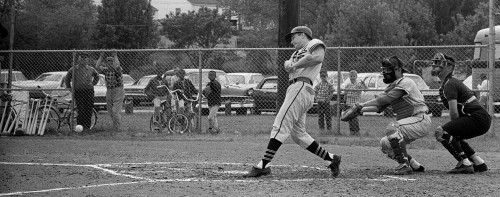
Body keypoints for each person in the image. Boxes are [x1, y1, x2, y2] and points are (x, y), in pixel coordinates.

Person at [243, 26, 341, 178]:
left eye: (294, 37)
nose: (292, 41)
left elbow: (318, 57)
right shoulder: (296, 53)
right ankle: (331, 159)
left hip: (301, 87)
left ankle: (264, 164)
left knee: (280, 123)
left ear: (303, 35)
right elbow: (289, 65)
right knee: (298, 134)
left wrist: (293, 65)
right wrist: (289, 64)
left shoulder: (313, 42)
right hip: (296, 88)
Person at [344, 56, 430, 175]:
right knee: (385, 144)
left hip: (420, 119)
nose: (385, 73)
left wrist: (360, 104)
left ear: (398, 70)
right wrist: (361, 110)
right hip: (410, 123)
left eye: (388, 70)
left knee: (392, 128)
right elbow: (380, 107)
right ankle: (414, 165)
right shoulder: (392, 86)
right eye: (384, 70)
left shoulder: (406, 82)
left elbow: (385, 99)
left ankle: (404, 165)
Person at [431, 53, 490, 174]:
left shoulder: (450, 83)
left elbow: (454, 113)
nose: (437, 65)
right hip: (481, 118)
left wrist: (449, 130)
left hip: (477, 118)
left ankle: (465, 163)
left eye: (441, 63)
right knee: (454, 135)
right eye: (436, 62)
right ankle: (478, 163)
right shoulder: (448, 83)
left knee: (442, 132)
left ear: (450, 67)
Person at [65, 52, 99, 132]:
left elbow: (97, 76)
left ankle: (87, 128)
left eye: (85, 58)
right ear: (78, 59)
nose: (83, 60)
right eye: (81, 58)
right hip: (78, 92)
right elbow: (67, 79)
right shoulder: (73, 69)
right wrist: (70, 88)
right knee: (81, 110)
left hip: (89, 91)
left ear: (87, 60)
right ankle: (80, 128)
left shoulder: (91, 69)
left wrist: (92, 84)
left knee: (88, 109)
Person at [96, 50, 125, 131]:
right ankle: (115, 126)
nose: (110, 63)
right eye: (108, 61)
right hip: (109, 90)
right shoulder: (106, 70)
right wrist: (101, 57)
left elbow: (117, 65)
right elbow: (97, 67)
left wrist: (115, 55)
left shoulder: (118, 69)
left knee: (115, 111)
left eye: (111, 61)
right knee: (110, 111)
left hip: (118, 90)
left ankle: (117, 128)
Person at [341, 70, 367, 136]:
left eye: (353, 76)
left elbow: (366, 89)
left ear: (356, 77)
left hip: (355, 105)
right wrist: (344, 102)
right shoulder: (348, 85)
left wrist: (363, 84)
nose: (352, 77)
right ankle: (352, 131)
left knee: (354, 119)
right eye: (351, 76)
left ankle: (357, 131)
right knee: (350, 119)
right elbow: (345, 94)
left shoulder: (358, 84)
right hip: (348, 103)